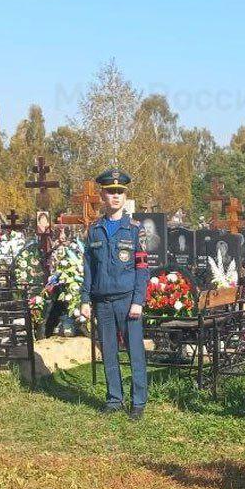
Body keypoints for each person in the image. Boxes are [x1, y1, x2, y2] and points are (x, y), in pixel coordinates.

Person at [79, 169, 151, 419]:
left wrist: (138, 301)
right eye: (111, 192)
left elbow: (142, 268)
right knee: (109, 350)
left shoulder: (134, 229)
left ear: (125, 195)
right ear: (103, 195)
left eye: (120, 192)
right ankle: (114, 399)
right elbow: (88, 267)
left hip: (127, 300)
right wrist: (85, 299)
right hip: (103, 302)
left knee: (134, 352)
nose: (116, 196)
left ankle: (138, 401)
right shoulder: (94, 230)